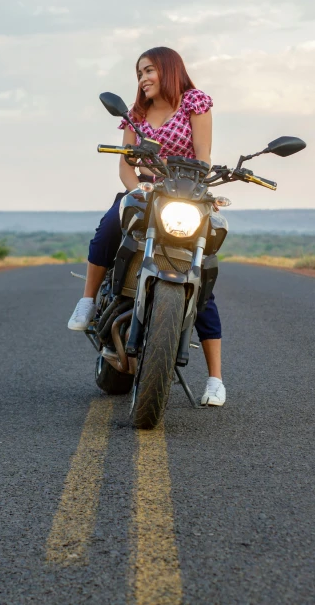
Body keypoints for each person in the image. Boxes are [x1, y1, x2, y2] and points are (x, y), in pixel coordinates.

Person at [67, 46, 226, 407]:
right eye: (139, 73)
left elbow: (203, 157)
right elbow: (125, 165)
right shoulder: (135, 114)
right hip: (144, 191)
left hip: (185, 196)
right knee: (109, 226)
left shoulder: (194, 102)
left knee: (202, 275)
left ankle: (215, 379)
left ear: (169, 70)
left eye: (149, 70)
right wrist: (134, 188)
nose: (143, 78)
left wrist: (204, 191)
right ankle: (88, 301)